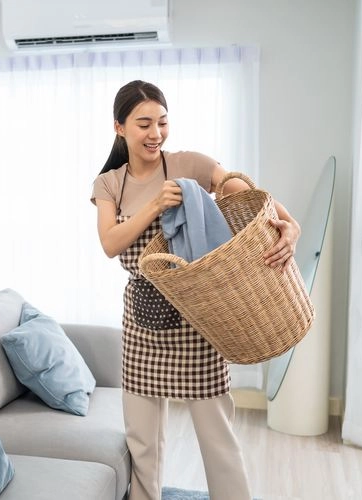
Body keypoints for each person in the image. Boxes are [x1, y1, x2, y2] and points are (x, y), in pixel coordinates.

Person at [90, 80, 301, 500]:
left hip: (198, 316)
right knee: (143, 444)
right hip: (142, 326)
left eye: (162, 122)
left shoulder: (190, 164)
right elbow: (110, 244)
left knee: (217, 436)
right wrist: (155, 205)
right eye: (144, 124)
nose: (156, 133)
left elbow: (253, 196)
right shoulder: (108, 184)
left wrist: (290, 224)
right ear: (119, 127)